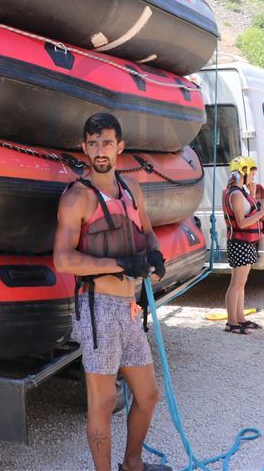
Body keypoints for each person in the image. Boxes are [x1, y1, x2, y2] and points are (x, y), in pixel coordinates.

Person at [53, 113, 170, 471]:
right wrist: (119, 263)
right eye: (93, 144)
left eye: (106, 143)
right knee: (102, 403)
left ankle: (132, 465)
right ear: (84, 147)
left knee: (148, 395)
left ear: (120, 146)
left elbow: (146, 230)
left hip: (129, 307)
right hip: (98, 308)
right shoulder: (77, 197)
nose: (100, 151)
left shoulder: (131, 189)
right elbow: (62, 259)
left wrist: (154, 254)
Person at [222, 155, 264, 333]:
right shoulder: (236, 194)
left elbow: (247, 211)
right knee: (236, 283)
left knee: (241, 283)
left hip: (246, 242)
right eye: (251, 173)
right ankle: (231, 322)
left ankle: (240, 319)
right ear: (242, 173)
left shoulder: (240, 192)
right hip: (240, 242)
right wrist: (263, 211)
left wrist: (251, 195)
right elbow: (242, 223)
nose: (253, 176)